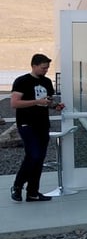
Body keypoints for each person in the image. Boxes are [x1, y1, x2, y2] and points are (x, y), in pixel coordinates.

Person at [10, 54, 65, 202]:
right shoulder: (22, 81)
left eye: (47, 68)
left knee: (39, 158)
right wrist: (36, 101)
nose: (46, 70)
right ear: (34, 66)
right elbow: (15, 103)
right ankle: (17, 185)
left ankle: (33, 192)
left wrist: (55, 106)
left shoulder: (47, 82)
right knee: (33, 155)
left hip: (43, 124)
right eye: (43, 68)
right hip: (26, 124)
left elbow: (48, 102)